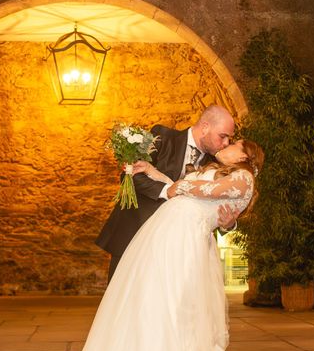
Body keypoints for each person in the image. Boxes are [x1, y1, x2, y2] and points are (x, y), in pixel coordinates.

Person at [76, 139, 265, 351]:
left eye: (234, 144)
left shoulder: (245, 178)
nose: (227, 144)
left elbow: (206, 191)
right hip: (168, 232)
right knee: (151, 295)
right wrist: (151, 171)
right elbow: (179, 189)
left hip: (185, 237)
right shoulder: (217, 169)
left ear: (244, 157)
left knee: (176, 299)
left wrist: (180, 188)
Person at [95, 105, 239, 280]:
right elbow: (131, 176)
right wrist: (166, 191)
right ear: (206, 127)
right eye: (223, 136)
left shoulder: (216, 164)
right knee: (121, 302)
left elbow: (215, 205)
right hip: (136, 233)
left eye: (229, 139)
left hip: (176, 250)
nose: (225, 144)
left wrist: (228, 224)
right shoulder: (162, 136)